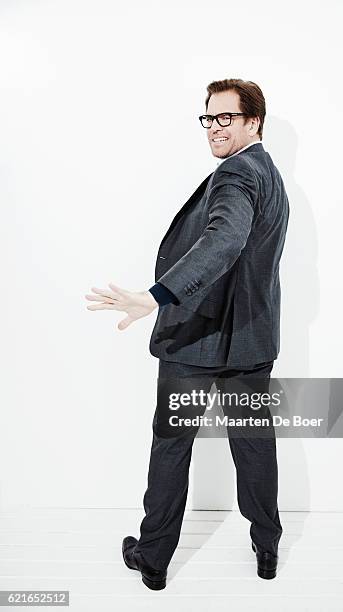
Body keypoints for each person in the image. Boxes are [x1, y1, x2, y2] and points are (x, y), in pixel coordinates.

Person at [85, 78, 289, 591]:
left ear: (252, 122)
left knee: (172, 445)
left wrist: (156, 296)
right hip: (250, 340)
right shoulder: (271, 175)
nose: (214, 128)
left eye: (226, 118)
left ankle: (153, 557)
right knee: (255, 443)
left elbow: (225, 240)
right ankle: (267, 546)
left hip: (196, 342)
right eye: (209, 118)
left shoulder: (238, 173)